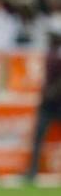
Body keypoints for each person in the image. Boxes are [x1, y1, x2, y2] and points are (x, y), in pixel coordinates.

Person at [26, 15, 61, 181]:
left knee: (38, 136)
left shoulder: (55, 54)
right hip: (49, 102)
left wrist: (51, 91)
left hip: (55, 101)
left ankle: (32, 170)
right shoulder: (50, 53)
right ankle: (32, 170)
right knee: (38, 136)